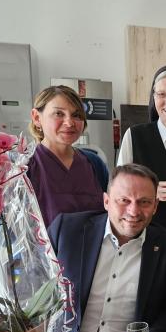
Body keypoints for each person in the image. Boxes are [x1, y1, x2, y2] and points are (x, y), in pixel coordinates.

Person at [48, 164, 166, 332]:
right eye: (124, 200)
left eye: (144, 202)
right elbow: (37, 293)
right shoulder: (67, 231)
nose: (134, 211)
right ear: (106, 201)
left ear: (155, 206)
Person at [26, 85, 108, 227]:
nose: (69, 123)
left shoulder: (95, 164)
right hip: (47, 250)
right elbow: (9, 231)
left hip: (95, 249)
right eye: (59, 114)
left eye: (76, 115)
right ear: (37, 118)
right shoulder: (25, 167)